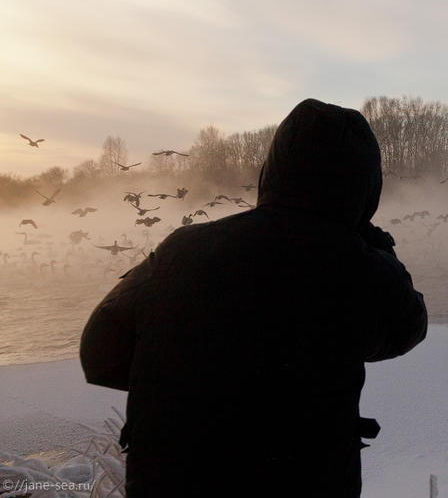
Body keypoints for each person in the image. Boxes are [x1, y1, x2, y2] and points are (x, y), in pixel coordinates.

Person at [80, 99, 428, 497]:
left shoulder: (183, 249)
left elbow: (99, 355)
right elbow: (408, 328)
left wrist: (197, 379)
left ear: (272, 170)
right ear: (367, 186)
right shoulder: (359, 267)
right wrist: (382, 253)